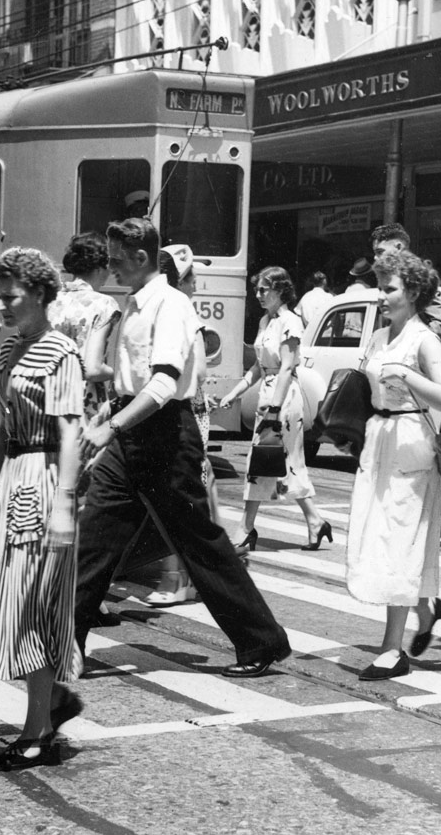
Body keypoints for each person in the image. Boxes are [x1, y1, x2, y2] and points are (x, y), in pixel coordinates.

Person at [76, 217, 290, 678]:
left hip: (165, 436)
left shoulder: (170, 305)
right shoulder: (134, 303)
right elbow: (132, 379)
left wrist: (111, 427)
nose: (110, 268)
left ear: (141, 257)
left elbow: (163, 383)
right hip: (132, 429)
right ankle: (62, 642)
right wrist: (110, 409)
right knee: (95, 536)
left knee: (199, 543)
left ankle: (261, 640)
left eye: (116, 260)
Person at [0, 247, 84, 772]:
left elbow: (72, 432)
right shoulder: (10, 349)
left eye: (10, 297)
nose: (2, 307)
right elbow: (4, 429)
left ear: (39, 294)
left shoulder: (61, 354)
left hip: (45, 481)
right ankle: (52, 699)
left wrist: (64, 506)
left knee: (29, 608)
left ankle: (38, 732)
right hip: (10, 480)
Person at [346, 250, 441, 680]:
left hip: (411, 445)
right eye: (379, 287)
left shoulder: (424, 339)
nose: (380, 296)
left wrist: (407, 375)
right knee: (379, 538)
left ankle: (392, 649)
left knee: (398, 542)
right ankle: (424, 611)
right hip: (378, 442)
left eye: (388, 288)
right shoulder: (378, 336)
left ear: (411, 292)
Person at [216, 266, 331, 553]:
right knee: (287, 463)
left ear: (280, 290)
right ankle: (315, 521)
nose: (258, 294)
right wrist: (234, 393)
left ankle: (245, 528)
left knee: (261, 462)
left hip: (283, 399)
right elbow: (258, 367)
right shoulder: (265, 321)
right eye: (256, 289)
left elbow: (287, 368)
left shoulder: (290, 322)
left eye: (263, 289)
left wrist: (274, 409)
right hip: (268, 395)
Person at [368, 222, 441, 536]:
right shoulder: (381, 332)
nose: (377, 257)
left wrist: (409, 353)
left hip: (411, 422)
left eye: (381, 251)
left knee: (401, 524)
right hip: (380, 434)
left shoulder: (412, 278)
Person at [143, 244, 213, 606]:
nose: (196, 283)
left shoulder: (173, 313)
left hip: (180, 412)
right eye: (191, 277)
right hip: (181, 411)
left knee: (178, 498)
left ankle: (178, 578)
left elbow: (198, 372)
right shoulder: (179, 311)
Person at [48, 233, 121, 421]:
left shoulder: (50, 299)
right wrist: (118, 374)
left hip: (46, 400)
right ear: (100, 267)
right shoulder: (104, 304)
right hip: (81, 406)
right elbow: (92, 369)